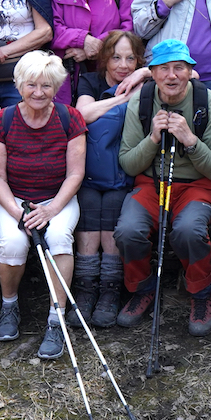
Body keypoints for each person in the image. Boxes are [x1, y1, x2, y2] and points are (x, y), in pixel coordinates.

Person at [113, 39, 211, 336]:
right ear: (151, 73)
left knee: (189, 230)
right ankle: (142, 289)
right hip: (152, 183)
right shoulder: (141, 101)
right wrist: (153, 138)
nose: (172, 75)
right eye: (164, 68)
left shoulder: (209, 103)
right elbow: (128, 163)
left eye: (179, 67)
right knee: (128, 231)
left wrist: (190, 140)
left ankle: (201, 293)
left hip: (197, 186)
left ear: (191, 71)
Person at [0, 51, 87, 360]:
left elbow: (75, 173)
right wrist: (18, 213)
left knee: (58, 240)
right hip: (15, 199)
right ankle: (9, 305)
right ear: (19, 85)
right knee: (13, 243)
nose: (39, 93)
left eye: (46, 86)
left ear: (56, 87)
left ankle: (56, 320)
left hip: (58, 197)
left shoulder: (70, 117)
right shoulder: (3, 119)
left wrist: (52, 209)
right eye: (31, 85)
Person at [69, 31, 148, 328]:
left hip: (124, 177)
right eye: (116, 57)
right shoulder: (91, 82)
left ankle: (110, 291)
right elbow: (82, 113)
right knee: (89, 213)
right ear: (104, 60)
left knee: (113, 212)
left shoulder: (147, 82)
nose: (123, 65)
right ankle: (86, 289)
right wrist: (123, 99)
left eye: (131, 58)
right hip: (89, 177)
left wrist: (143, 73)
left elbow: (191, 76)